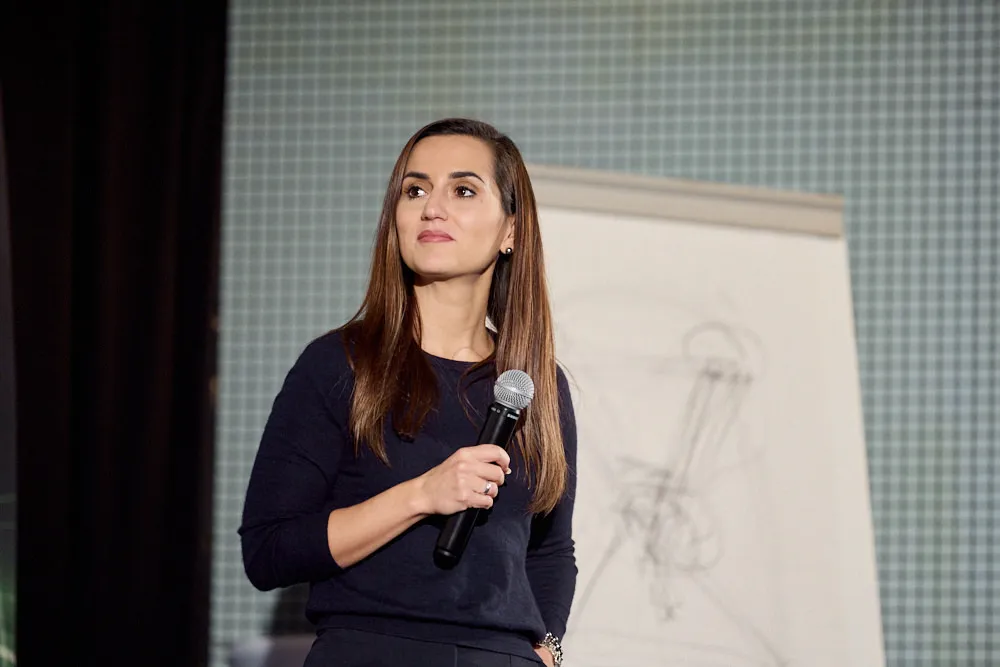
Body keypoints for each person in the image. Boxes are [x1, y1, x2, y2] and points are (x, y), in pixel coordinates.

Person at [238, 118, 577, 667]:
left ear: (511, 229)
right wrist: (422, 495)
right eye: (414, 190)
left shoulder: (536, 383)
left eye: (463, 190)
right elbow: (269, 550)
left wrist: (547, 650)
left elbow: (550, 549)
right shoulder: (340, 364)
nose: (431, 208)